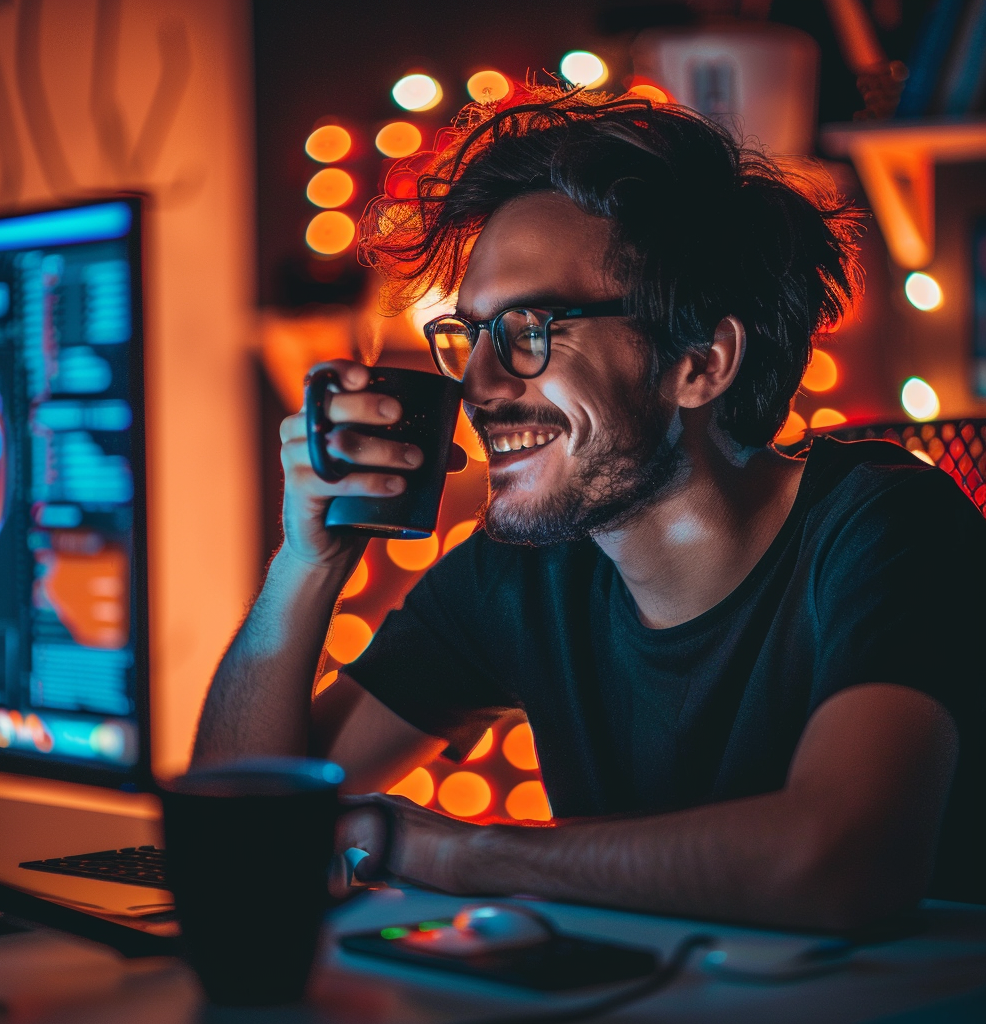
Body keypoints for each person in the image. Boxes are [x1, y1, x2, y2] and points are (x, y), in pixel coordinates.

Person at [194, 89, 985, 928]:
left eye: (530, 330)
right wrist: (305, 564)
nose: (479, 389)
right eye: (472, 337)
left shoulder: (888, 528)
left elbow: (845, 859)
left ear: (701, 362)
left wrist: (468, 855)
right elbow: (240, 829)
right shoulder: (522, 572)